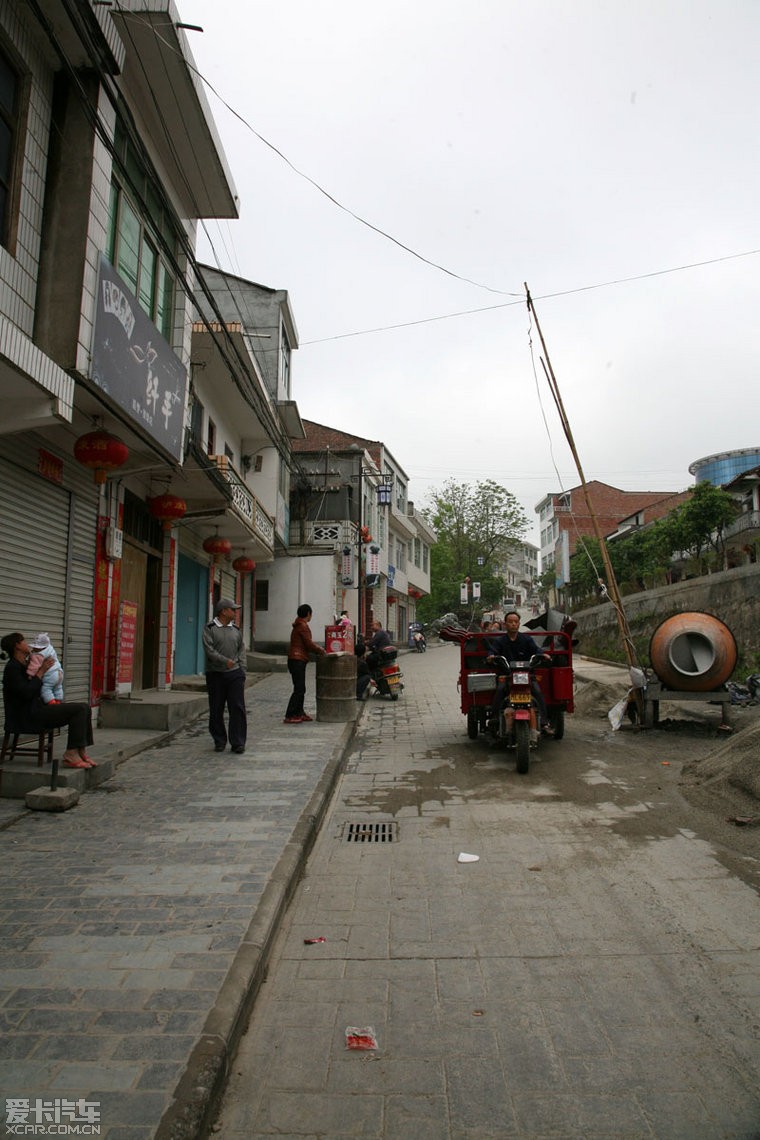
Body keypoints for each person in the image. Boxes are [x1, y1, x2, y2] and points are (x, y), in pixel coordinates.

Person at [1, 632, 95, 768]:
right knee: (79, 710)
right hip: (28, 716)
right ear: (17, 646)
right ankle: (71, 754)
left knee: (85, 707)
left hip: (37, 709)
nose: (27, 644)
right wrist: (41, 672)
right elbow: (26, 693)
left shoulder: (25, 664)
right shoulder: (12, 668)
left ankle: (80, 750)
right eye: (24, 641)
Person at [485, 610, 552, 733]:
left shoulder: (526, 639)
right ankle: (494, 719)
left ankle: (544, 722)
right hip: (507, 674)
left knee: (537, 692)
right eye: (510, 622)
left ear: (519, 623)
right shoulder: (500, 641)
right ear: (505, 624)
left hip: (526, 674)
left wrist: (543, 655)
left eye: (516, 622)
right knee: (499, 690)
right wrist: (491, 656)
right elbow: (492, 651)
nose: (513, 624)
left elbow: (536, 649)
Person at [202, 598, 247, 753]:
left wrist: (242, 670)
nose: (235, 612)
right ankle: (219, 740)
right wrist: (224, 661)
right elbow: (209, 650)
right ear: (223, 611)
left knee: (237, 708)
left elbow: (241, 650)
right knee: (216, 708)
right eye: (232, 609)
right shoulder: (210, 628)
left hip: (235, 674)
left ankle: (238, 742)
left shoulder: (236, 630)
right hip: (215, 674)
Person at [284, 603, 326, 724]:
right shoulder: (303, 626)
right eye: (311, 613)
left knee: (301, 687)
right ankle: (290, 714)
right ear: (308, 614)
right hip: (297, 659)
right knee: (299, 688)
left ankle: (299, 712)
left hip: (296, 659)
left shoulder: (299, 625)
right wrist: (321, 650)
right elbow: (309, 644)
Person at [27, 633, 64, 704]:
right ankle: (58, 701)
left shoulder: (38, 655)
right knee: (57, 687)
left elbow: (34, 667)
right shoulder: (50, 649)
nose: (33, 648)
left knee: (46, 689)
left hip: (50, 676)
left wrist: (30, 675)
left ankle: (52, 703)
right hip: (59, 672)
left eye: (35, 647)